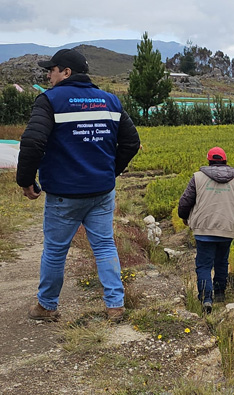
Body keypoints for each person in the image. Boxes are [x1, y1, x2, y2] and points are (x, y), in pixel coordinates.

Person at [16, 48, 140, 323]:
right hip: (101, 192)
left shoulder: (50, 101)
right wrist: (110, 171)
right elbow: (132, 142)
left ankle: (47, 306)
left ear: (66, 72)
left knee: (56, 250)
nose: (48, 75)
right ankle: (115, 306)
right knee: (105, 246)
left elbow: (33, 142)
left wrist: (25, 181)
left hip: (64, 195)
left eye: (52, 70)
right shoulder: (110, 101)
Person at [177, 147, 234, 313]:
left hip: (203, 229)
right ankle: (219, 293)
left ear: (209, 161)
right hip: (228, 230)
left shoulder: (198, 178)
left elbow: (185, 201)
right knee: (221, 261)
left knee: (204, 265)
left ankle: (206, 299)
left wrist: (184, 216)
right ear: (225, 160)